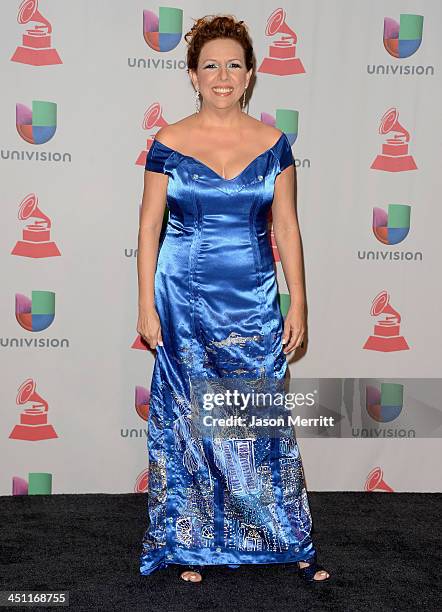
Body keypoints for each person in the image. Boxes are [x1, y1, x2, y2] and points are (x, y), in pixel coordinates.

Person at [137, 14, 330, 584]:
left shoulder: (274, 144)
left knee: (260, 416)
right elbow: (149, 227)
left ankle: (283, 538)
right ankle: (189, 543)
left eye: (234, 65)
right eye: (210, 65)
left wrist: (298, 301)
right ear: (192, 75)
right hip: (182, 293)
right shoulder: (167, 142)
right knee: (188, 418)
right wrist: (145, 303)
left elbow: (288, 229)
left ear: (251, 75)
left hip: (253, 293)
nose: (223, 75)